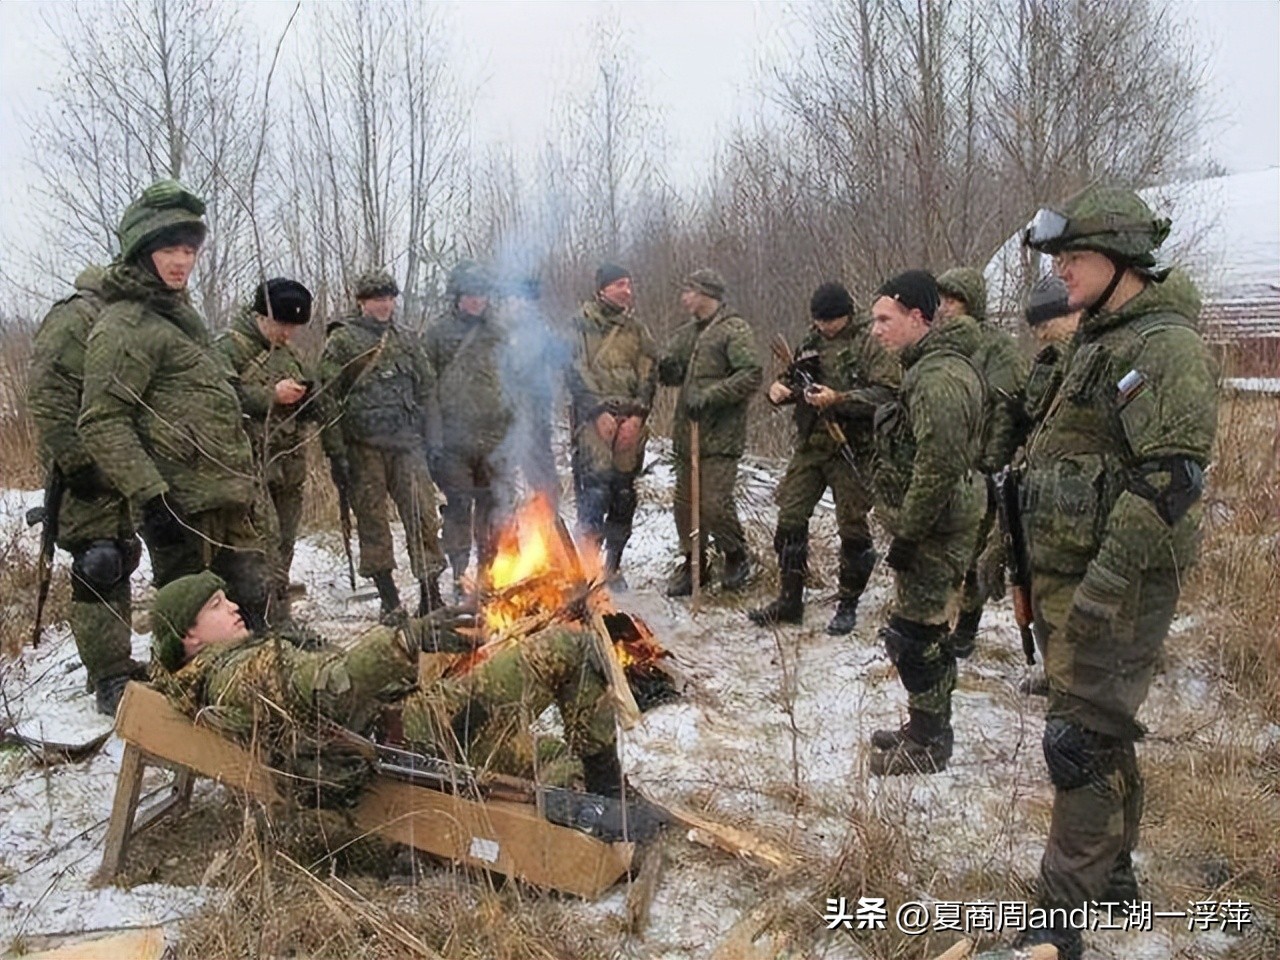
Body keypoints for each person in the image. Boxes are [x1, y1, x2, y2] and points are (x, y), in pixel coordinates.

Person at [1014, 185, 1217, 960]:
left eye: (1074, 257)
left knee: (1077, 742)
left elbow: (1168, 480)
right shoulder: (1100, 337)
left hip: (1120, 579)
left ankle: (1057, 924)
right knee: (1101, 733)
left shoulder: (1161, 347)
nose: (1061, 272)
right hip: (1077, 570)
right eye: (1060, 258)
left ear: (1121, 258)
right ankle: (1115, 878)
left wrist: (1101, 587)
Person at [148, 570, 626, 807]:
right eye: (215, 605)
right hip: (411, 735)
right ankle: (606, 802)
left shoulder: (220, 672)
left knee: (546, 755)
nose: (233, 606)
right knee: (569, 648)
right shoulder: (238, 672)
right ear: (188, 638)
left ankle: (586, 793)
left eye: (226, 597)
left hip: (394, 728)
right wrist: (406, 641)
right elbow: (330, 688)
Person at [79, 180, 271, 637]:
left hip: (227, 499)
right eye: (170, 249)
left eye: (189, 250)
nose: (182, 261)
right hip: (182, 509)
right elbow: (102, 421)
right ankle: (179, 704)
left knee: (251, 609)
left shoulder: (180, 318)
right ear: (143, 251)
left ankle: (259, 691)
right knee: (192, 631)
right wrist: (152, 497)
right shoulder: (126, 325)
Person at [862, 270, 985, 776]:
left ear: (918, 317)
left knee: (919, 635)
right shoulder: (925, 369)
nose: (875, 330)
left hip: (936, 528)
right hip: (931, 523)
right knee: (918, 629)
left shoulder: (938, 379)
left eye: (884, 319)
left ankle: (932, 741)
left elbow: (938, 466)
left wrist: (909, 533)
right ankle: (924, 723)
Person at [29, 264, 147, 714]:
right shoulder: (76, 316)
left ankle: (115, 662)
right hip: (83, 466)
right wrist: (77, 461)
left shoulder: (130, 319)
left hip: (121, 457)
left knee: (123, 552)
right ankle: (108, 678)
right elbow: (46, 394)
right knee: (98, 561)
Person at [749, 282, 899, 634]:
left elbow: (888, 394)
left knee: (852, 525)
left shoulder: (870, 342)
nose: (823, 328)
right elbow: (790, 379)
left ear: (846, 315)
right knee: (790, 517)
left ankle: (847, 603)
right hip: (811, 446)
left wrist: (839, 398)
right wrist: (778, 391)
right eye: (818, 322)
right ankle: (789, 600)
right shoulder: (810, 342)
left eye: (829, 322)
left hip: (852, 447)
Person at [319, 269, 445, 622]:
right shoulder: (342, 341)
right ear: (362, 302)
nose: (385, 305)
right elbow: (327, 399)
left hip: (407, 445)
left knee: (423, 517)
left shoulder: (406, 338)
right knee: (373, 523)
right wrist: (336, 453)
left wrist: (434, 440)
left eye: (390, 297)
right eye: (377, 298)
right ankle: (389, 599)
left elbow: (427, 390)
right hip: (363, 449)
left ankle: (431, 595)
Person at [934, 267, 1029, 658]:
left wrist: (992, 463)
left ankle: (966, 628)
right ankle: (937, 620)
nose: (945, 309)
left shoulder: (997, 349)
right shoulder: (943, 344)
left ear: (973, 303)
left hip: (981, 469)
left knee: (972, 554)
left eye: (953, 301)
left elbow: (1008, 409)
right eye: (942, 301)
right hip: (947, 465)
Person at [215, 278, 318, 622]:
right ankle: (258, 620)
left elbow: (308, 403)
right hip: (250, 464)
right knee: (262, 542)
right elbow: (220, 400)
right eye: (282, 324)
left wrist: (311, 398)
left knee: (285, 541)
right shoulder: (230, 348)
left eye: (295, 327)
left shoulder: (291, 355)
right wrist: (269, 395)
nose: (288, 334)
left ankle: (278, 615)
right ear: (262, 316)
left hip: (289, 464)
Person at [658, 268, 762, 597]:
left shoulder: (734, 330)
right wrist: (668, 369)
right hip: (688, 435)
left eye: (689, 291)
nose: (683, 298)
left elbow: (751, 374)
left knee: (715, 503)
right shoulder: (686, 334)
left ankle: (735, 555)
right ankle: (693, 565)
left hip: (720, 436)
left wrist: (711, 396)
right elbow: (673, 374)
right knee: (685, 505)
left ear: (706, 294)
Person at [425, 260, 518, 593]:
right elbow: (427, 390)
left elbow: (514, 381)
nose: (477, 301)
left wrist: (515, 432)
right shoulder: (437, 335)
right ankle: (460, 575)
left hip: (495, 439)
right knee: (459, 509)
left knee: (494, 508)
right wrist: (433, 440)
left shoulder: (500, 333)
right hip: (454, 441)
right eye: (470, 294)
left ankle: (489, 572)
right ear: (457, 296)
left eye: (482, 294)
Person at [565, 263, 659, 586]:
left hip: (630, 423)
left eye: (629, 285)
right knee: (593, 491)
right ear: (603, 288)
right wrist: (597, 411)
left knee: (623, 493)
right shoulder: (580, 324)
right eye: (620, 284)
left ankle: (613, 566)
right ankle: (588, 570)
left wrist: (637, 416)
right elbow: (574, 369)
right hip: (594, 422)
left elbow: (648, 375)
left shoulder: (637, 331)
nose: (627, 291)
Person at [497, 275, 566, 508]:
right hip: (501, 420)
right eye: (516, 297)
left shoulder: (541, 331)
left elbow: (560, 360)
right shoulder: (494, 331)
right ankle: (502, 537)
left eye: (526, 299)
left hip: (536, 418)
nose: (521, 304)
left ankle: (549, 530)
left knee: (544, 482)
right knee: (499, 485)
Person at [1022, 274, 1083, 426]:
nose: (1041, 335)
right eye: (1036, 329)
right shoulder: (1045, 366)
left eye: (1044, 326)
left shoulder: (1094, 362)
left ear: (1074, 316)